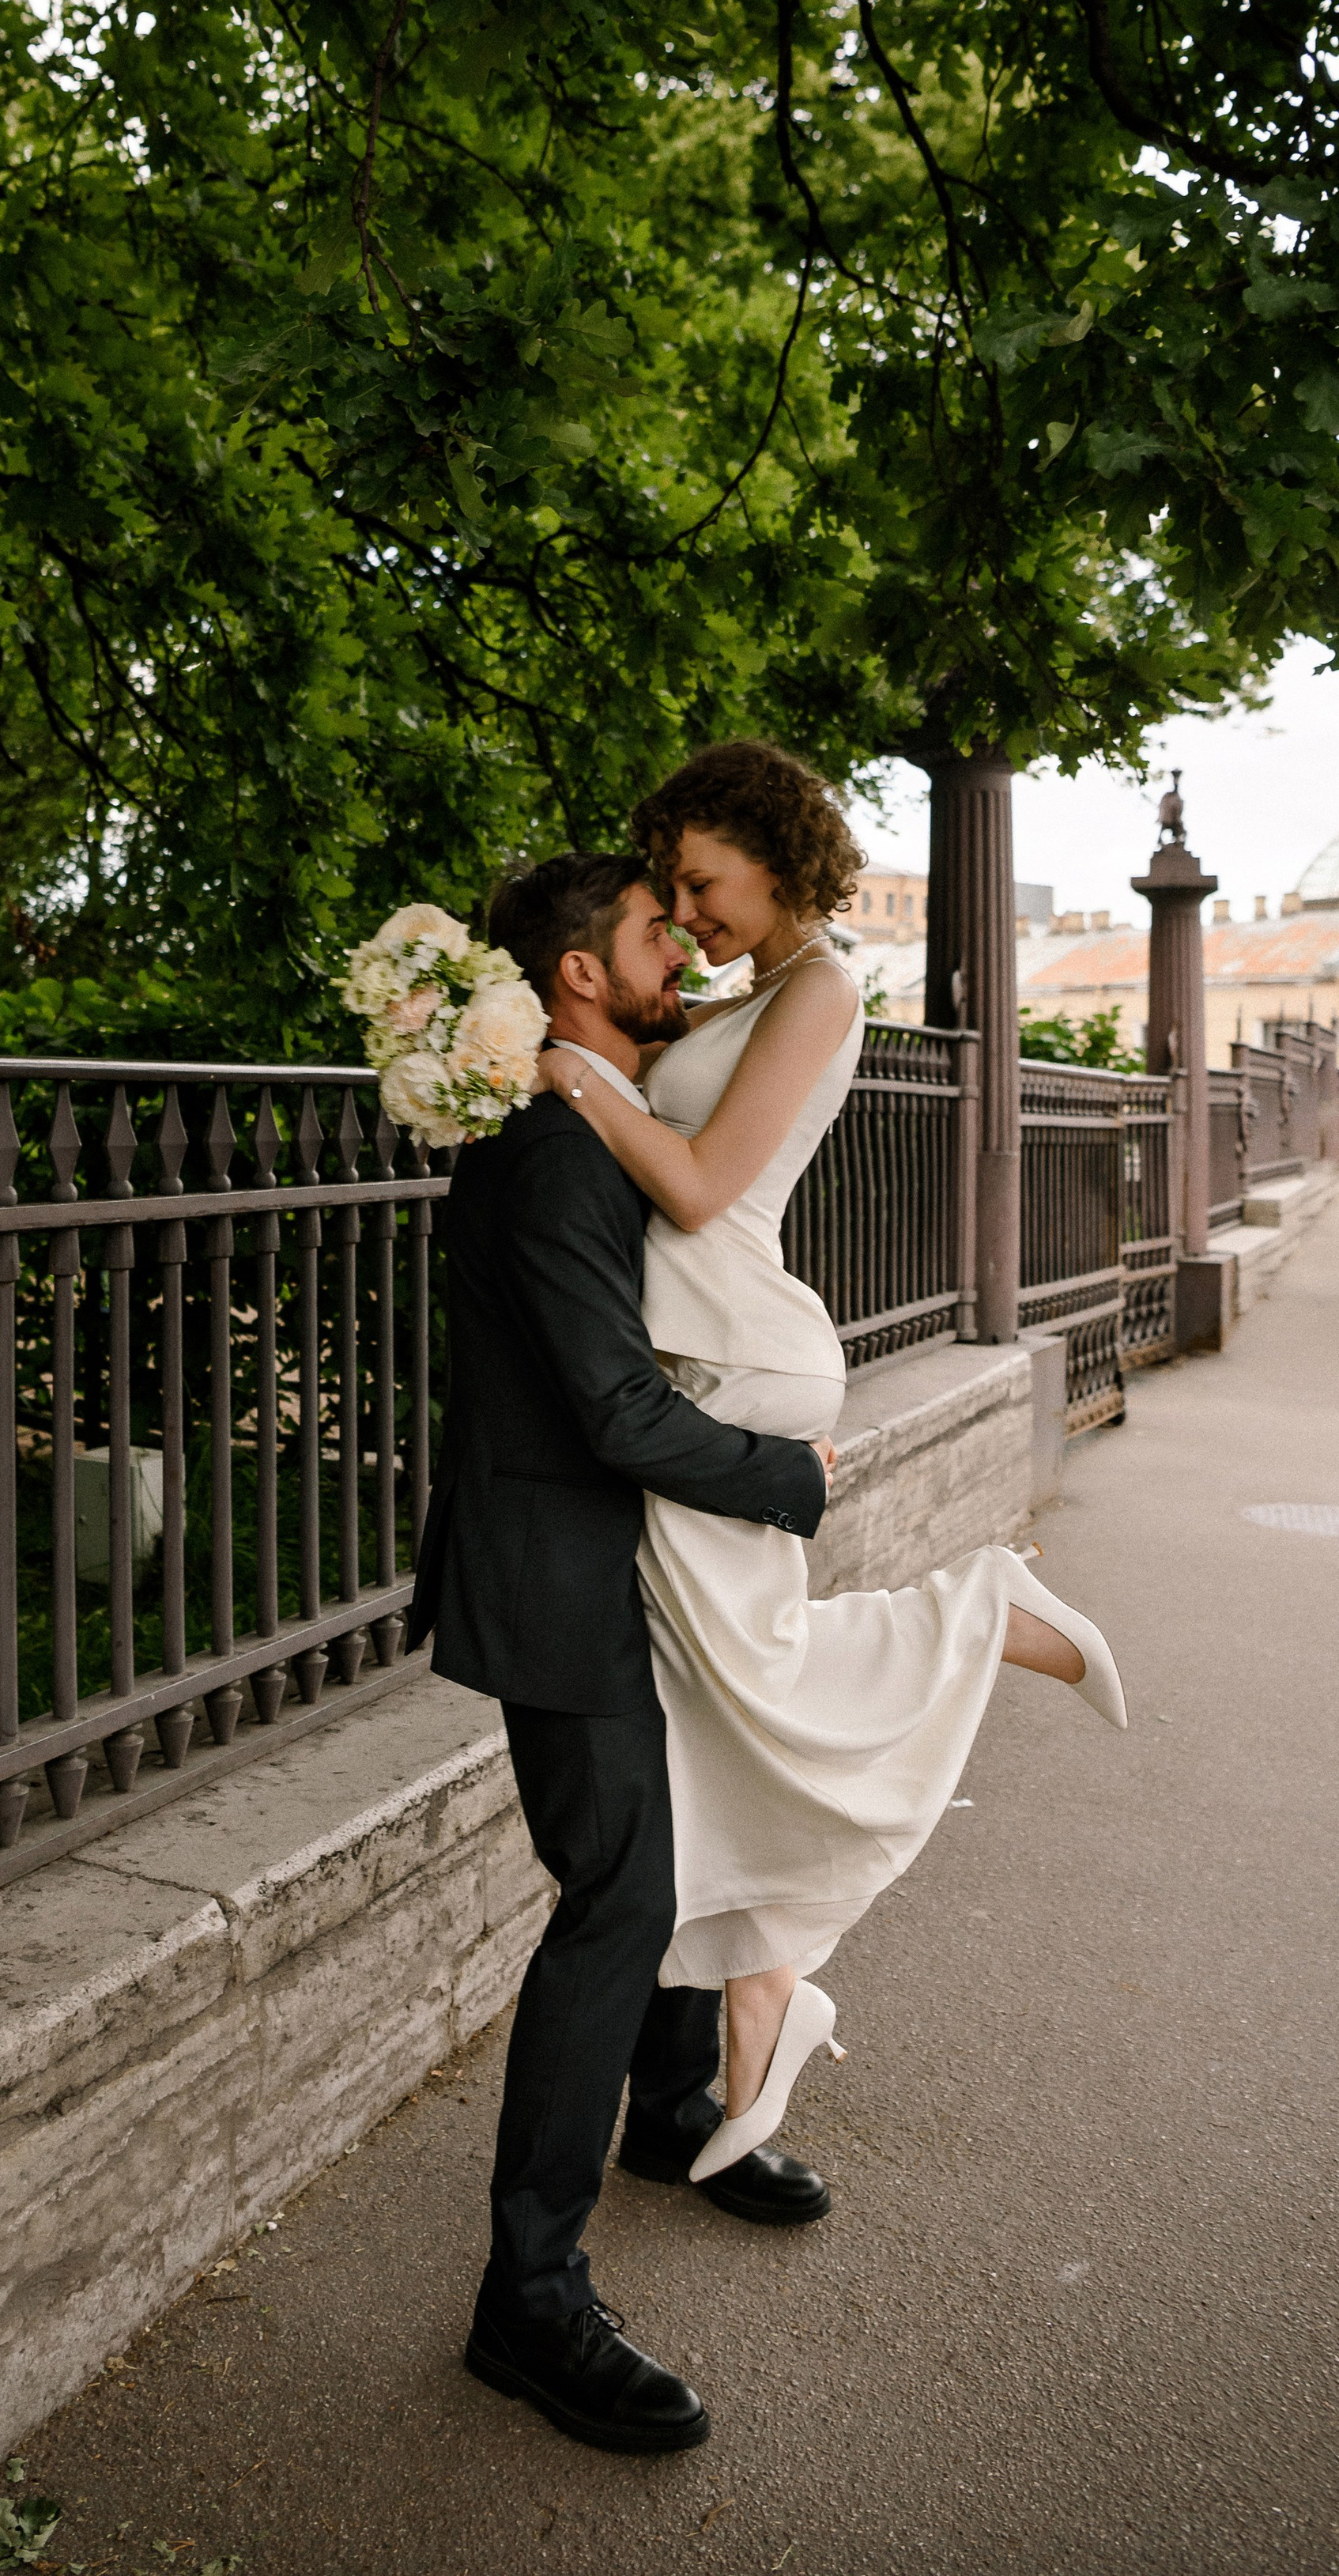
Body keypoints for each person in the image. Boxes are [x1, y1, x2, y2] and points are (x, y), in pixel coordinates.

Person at [532, 740, 1126, 2191]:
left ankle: (974, 1615)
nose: (685, 915)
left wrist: (570, 1077)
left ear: (774, 855)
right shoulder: (750, 995)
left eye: (701, 880)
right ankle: (754, 1996)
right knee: (724, 1698)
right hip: (714, 1349)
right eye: (667, 892)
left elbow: (696, 1181)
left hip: (735, 1348)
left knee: (762, 1674)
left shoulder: (825, 988)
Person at [407, 851, 836, 2458]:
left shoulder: (593, 1116)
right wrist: (784, 1477)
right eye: (662, 932)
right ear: (581, 971)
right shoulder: (552, 1155)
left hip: (618, 1562)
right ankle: (525, 2296)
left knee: (680, 1838)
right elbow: (610, 1408)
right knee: (617, 1901)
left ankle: (665, 2115)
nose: (687, 952)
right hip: (557, 1583)